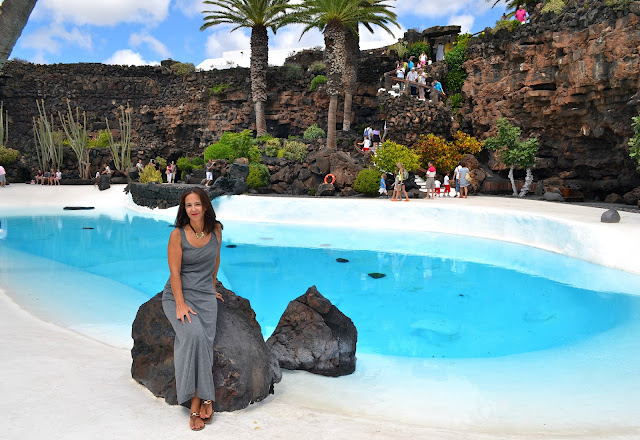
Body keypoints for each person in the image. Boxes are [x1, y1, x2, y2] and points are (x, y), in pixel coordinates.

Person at [162, 187, 224, 431]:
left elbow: (215, 260)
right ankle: (199, 401)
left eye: (197, 204)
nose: (193, 209)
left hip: (205, 296)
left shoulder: (216, 230)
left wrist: (212, 285)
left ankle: (198, 400)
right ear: (184, 209)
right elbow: (174, 273)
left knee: (205, 342)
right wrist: (179, 303)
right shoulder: (177, 235)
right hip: (179, 294)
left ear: (205, 206)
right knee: (194, 336)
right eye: (188, 205)